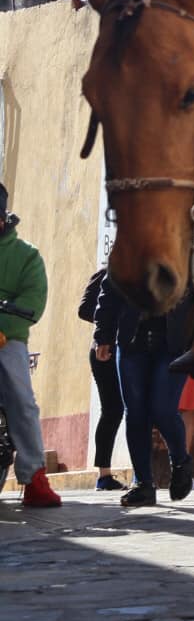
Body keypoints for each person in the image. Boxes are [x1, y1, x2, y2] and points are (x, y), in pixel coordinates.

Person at [94, 269, 194, 506]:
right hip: (132, 343)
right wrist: (103, 335)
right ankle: (144, 485)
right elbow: (108, 291)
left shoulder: (186, 248)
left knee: (163, 409)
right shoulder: (131, 247)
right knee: (136, 414)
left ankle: (180, 461)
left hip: (172, 343)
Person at [0, 182, 60, 507]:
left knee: (22, 402)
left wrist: (4, 327)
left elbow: (33, 302)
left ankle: (34, 476)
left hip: (8, 339)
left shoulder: (27, 255)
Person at [78, 269, 125, 491]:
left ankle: (139, 475)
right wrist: (110, 324)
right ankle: (104, 475)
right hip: (105, 349)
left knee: (127, 410)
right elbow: (85, 309)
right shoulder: (106, 274)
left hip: (127, 349)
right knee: (113, 409)